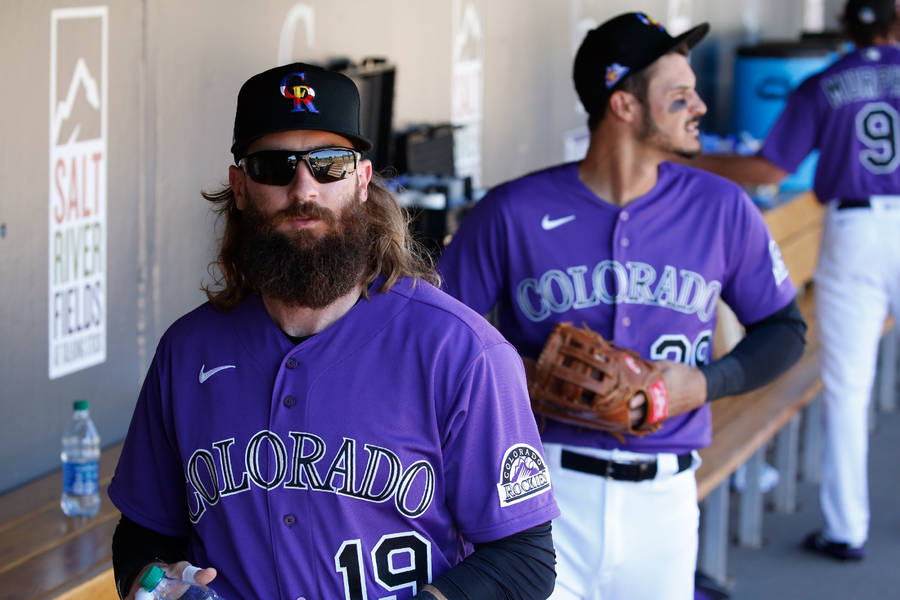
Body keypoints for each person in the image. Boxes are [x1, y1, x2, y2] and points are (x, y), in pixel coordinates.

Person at [108, 62, 560, 600]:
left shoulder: (459, 350)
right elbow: (142, 534)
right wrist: (156, 582)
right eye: (274, 166)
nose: (304, 188)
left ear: (363, 180)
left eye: (329, 164)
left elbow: (524, 557)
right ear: (241, 187)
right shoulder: (187, 352)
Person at [438, 13, 806, 600]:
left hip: (665, 500)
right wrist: (515, 380)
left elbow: (785, 330)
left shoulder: (721, 207)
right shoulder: (512, 211)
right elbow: (434, 339)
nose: (701, 107)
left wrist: (704, 385)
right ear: (624, 106)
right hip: (538, 492)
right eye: (680, 95)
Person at [684, 0, 900, 562]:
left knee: (848, 387)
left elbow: (770, 171)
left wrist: (686, 159)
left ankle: (846, 531)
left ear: (847, 26)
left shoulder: (827, 81)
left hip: (855, 227)